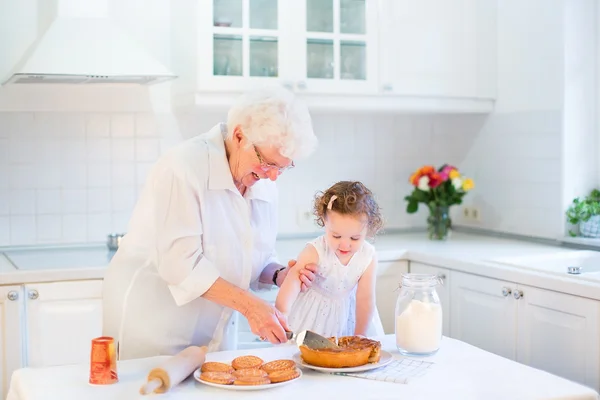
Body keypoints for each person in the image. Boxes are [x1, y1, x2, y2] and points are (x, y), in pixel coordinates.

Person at [102, 86, 319, 360]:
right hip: (153, 328)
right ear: (240, 136)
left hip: (214, 336)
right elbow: (181, 265)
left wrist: (278, 274)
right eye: (267, 163)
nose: (273, 176)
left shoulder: (262, 182)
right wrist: (251, 308)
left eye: (284, 167)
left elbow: (256, 255)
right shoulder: (183, 168)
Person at [275, 181, 385, 338]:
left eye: (355, 238)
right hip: (311, 317)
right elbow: (292, 282)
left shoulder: (368, 256)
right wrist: (282, 315)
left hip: (347, 316)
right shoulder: (315, 250)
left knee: (343, 356)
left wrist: (360, 333)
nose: (345, 244)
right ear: (324, 222)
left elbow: (365, 298)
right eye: (336, 236)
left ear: (368, 229)